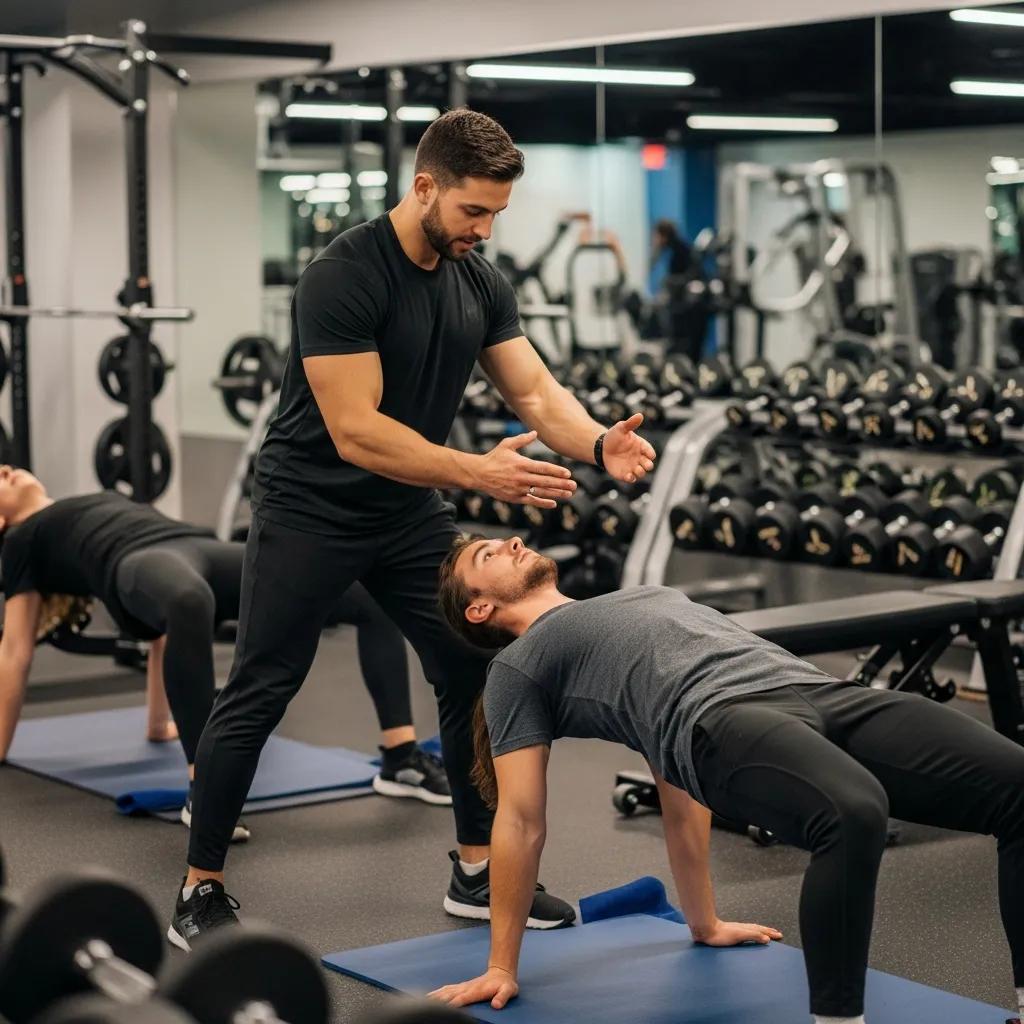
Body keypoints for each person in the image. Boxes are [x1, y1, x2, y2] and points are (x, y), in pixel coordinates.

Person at [169, 108, 656, 951]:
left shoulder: (478, 280)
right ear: (425, 186)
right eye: (473, 210)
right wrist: (475, 471)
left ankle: (477, 869)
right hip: (310, 506)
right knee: (263, 683)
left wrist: (596, 440)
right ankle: (199, 886)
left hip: (407, 510)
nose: (484, 229)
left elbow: (534, 392)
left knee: (472, 663)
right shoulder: (343, 275)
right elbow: (355, 430)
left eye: (496, 214)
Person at [429, 532, 1024, 1024]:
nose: (512, 541)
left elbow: (675, 798)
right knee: (853, 811)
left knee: (1017, 786)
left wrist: (704, 922)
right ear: (479, 609)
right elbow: (521, 819)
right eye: (488, 554)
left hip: (821, 691)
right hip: (719, 719)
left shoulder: (638, 597)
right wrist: (501, 967)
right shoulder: (517, 668)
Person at [0, 469, 449, 822]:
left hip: (202, 549)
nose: (6, 470)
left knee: (366, 595)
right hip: (137, 563)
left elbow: (161, 639)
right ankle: (207, 790)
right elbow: (15, 649)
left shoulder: (86, 500)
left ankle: (401, 758)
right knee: (188, 600)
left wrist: (158, 725)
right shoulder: (21, 539)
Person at [651, 218, 709, 361]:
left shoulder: (681, 251)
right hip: (686, 310)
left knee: (691, 351)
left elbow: (692, 276)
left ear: (664, 236)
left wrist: (670, 283)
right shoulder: (676, 250)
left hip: (692, 312)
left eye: (657, 236)